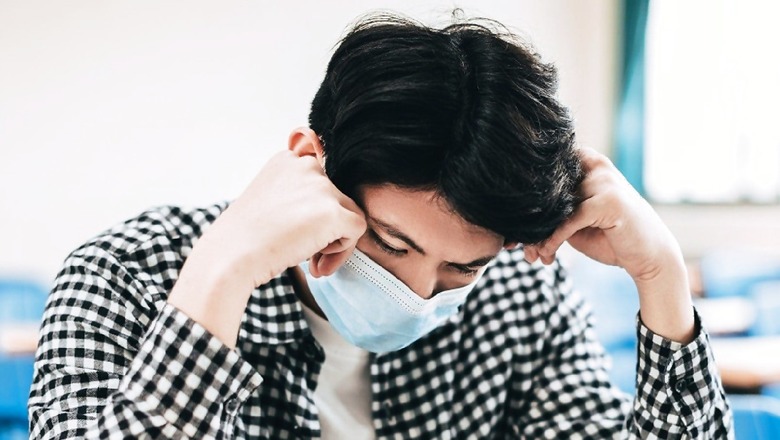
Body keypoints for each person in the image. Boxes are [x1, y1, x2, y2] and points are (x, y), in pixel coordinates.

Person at [28, 13, 732, 439]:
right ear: (310, 161)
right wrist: (222, 274)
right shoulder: (126, 276)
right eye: (392, 244)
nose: (418, 293)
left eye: (462, 268)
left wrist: (660, 276)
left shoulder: (520, 295)